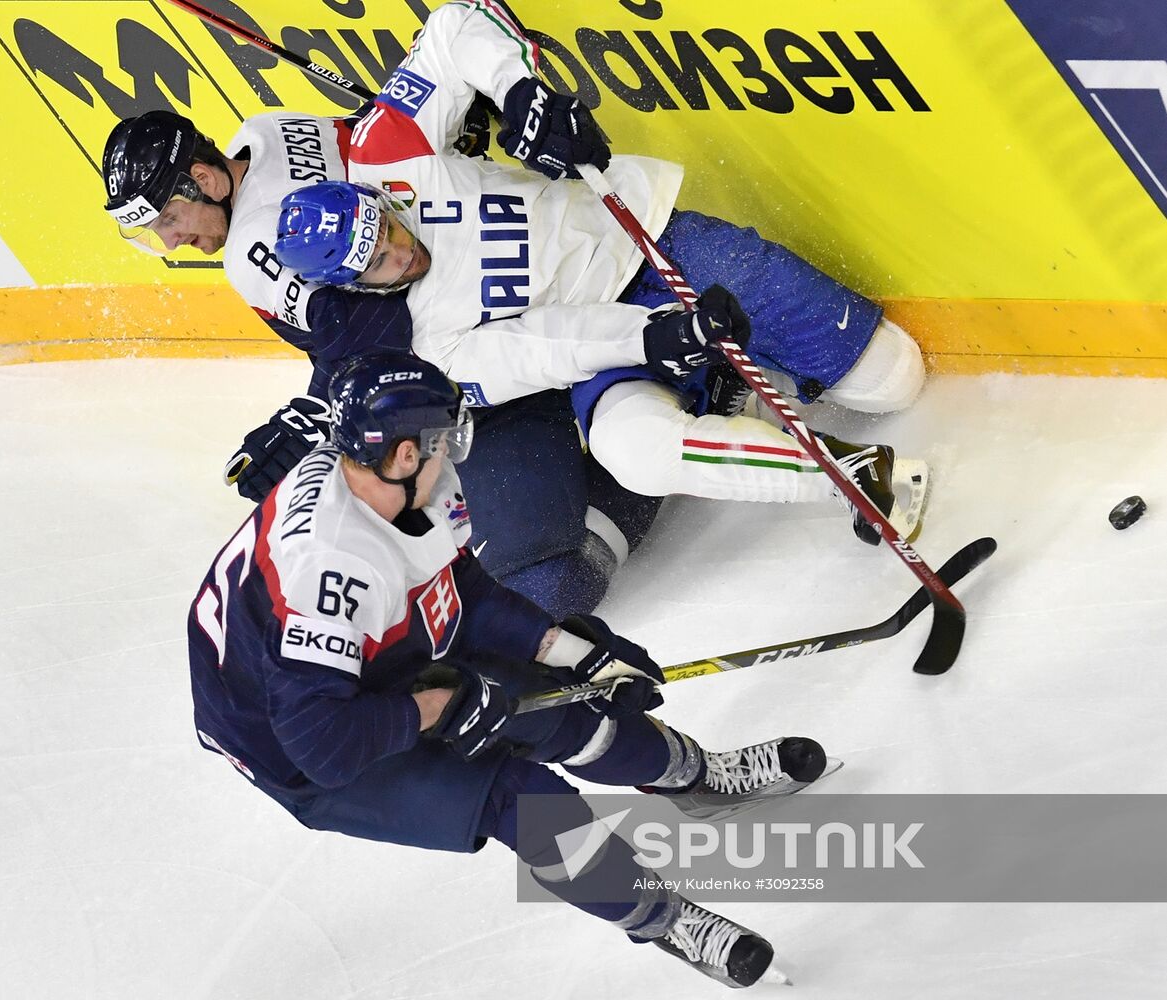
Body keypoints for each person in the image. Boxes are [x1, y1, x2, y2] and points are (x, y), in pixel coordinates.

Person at [186, 350, 832, 988]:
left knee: (574, 702)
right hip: (291, 740)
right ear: (405, 452)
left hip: (368, 655)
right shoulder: (333, 568)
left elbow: (460, 588)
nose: (456, 451)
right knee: (517, 796)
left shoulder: (397, 484)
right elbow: (323, 744)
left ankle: (695, 778)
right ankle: (660, 919)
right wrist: (442, 705)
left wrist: (574, 654)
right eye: (445, 437)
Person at [269, 0, 930, 543]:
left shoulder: (385, 153)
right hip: (613, 338)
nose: (401, 252)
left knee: (893, 379)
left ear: (379, 202)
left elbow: (456, 24)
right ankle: (845, 472)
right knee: (636, 452)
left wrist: (520, 93)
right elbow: (542, 349)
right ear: (355, 285)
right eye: (381, 264)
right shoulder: (426, 344)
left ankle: (747, 368)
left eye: (387, 227)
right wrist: (650, 339)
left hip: (645, 239)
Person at [99, 106, 661, 617]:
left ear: (204, 180)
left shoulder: (251, 248)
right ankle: (648, 415)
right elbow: (381, 127)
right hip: (525, 256)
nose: (171, 242)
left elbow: (381, 329)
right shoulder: (270, 130)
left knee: (534, 587)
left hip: (482, 354)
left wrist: (308, 416)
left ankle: (643, 471)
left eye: (169, 221)